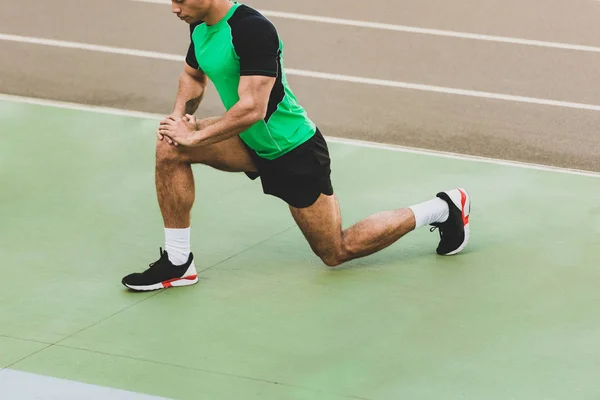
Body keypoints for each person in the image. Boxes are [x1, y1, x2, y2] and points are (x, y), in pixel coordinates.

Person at [121, 0, 471, 291]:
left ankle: (443, 208)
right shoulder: (199, 25)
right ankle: (179, 262)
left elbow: (253, 109)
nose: (173, 8)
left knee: (336, 250)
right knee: (170, 147)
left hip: (293, 150)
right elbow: (192, 75)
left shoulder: (251, 29)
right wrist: (178, 119)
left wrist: (195, 136)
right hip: (247, 142)